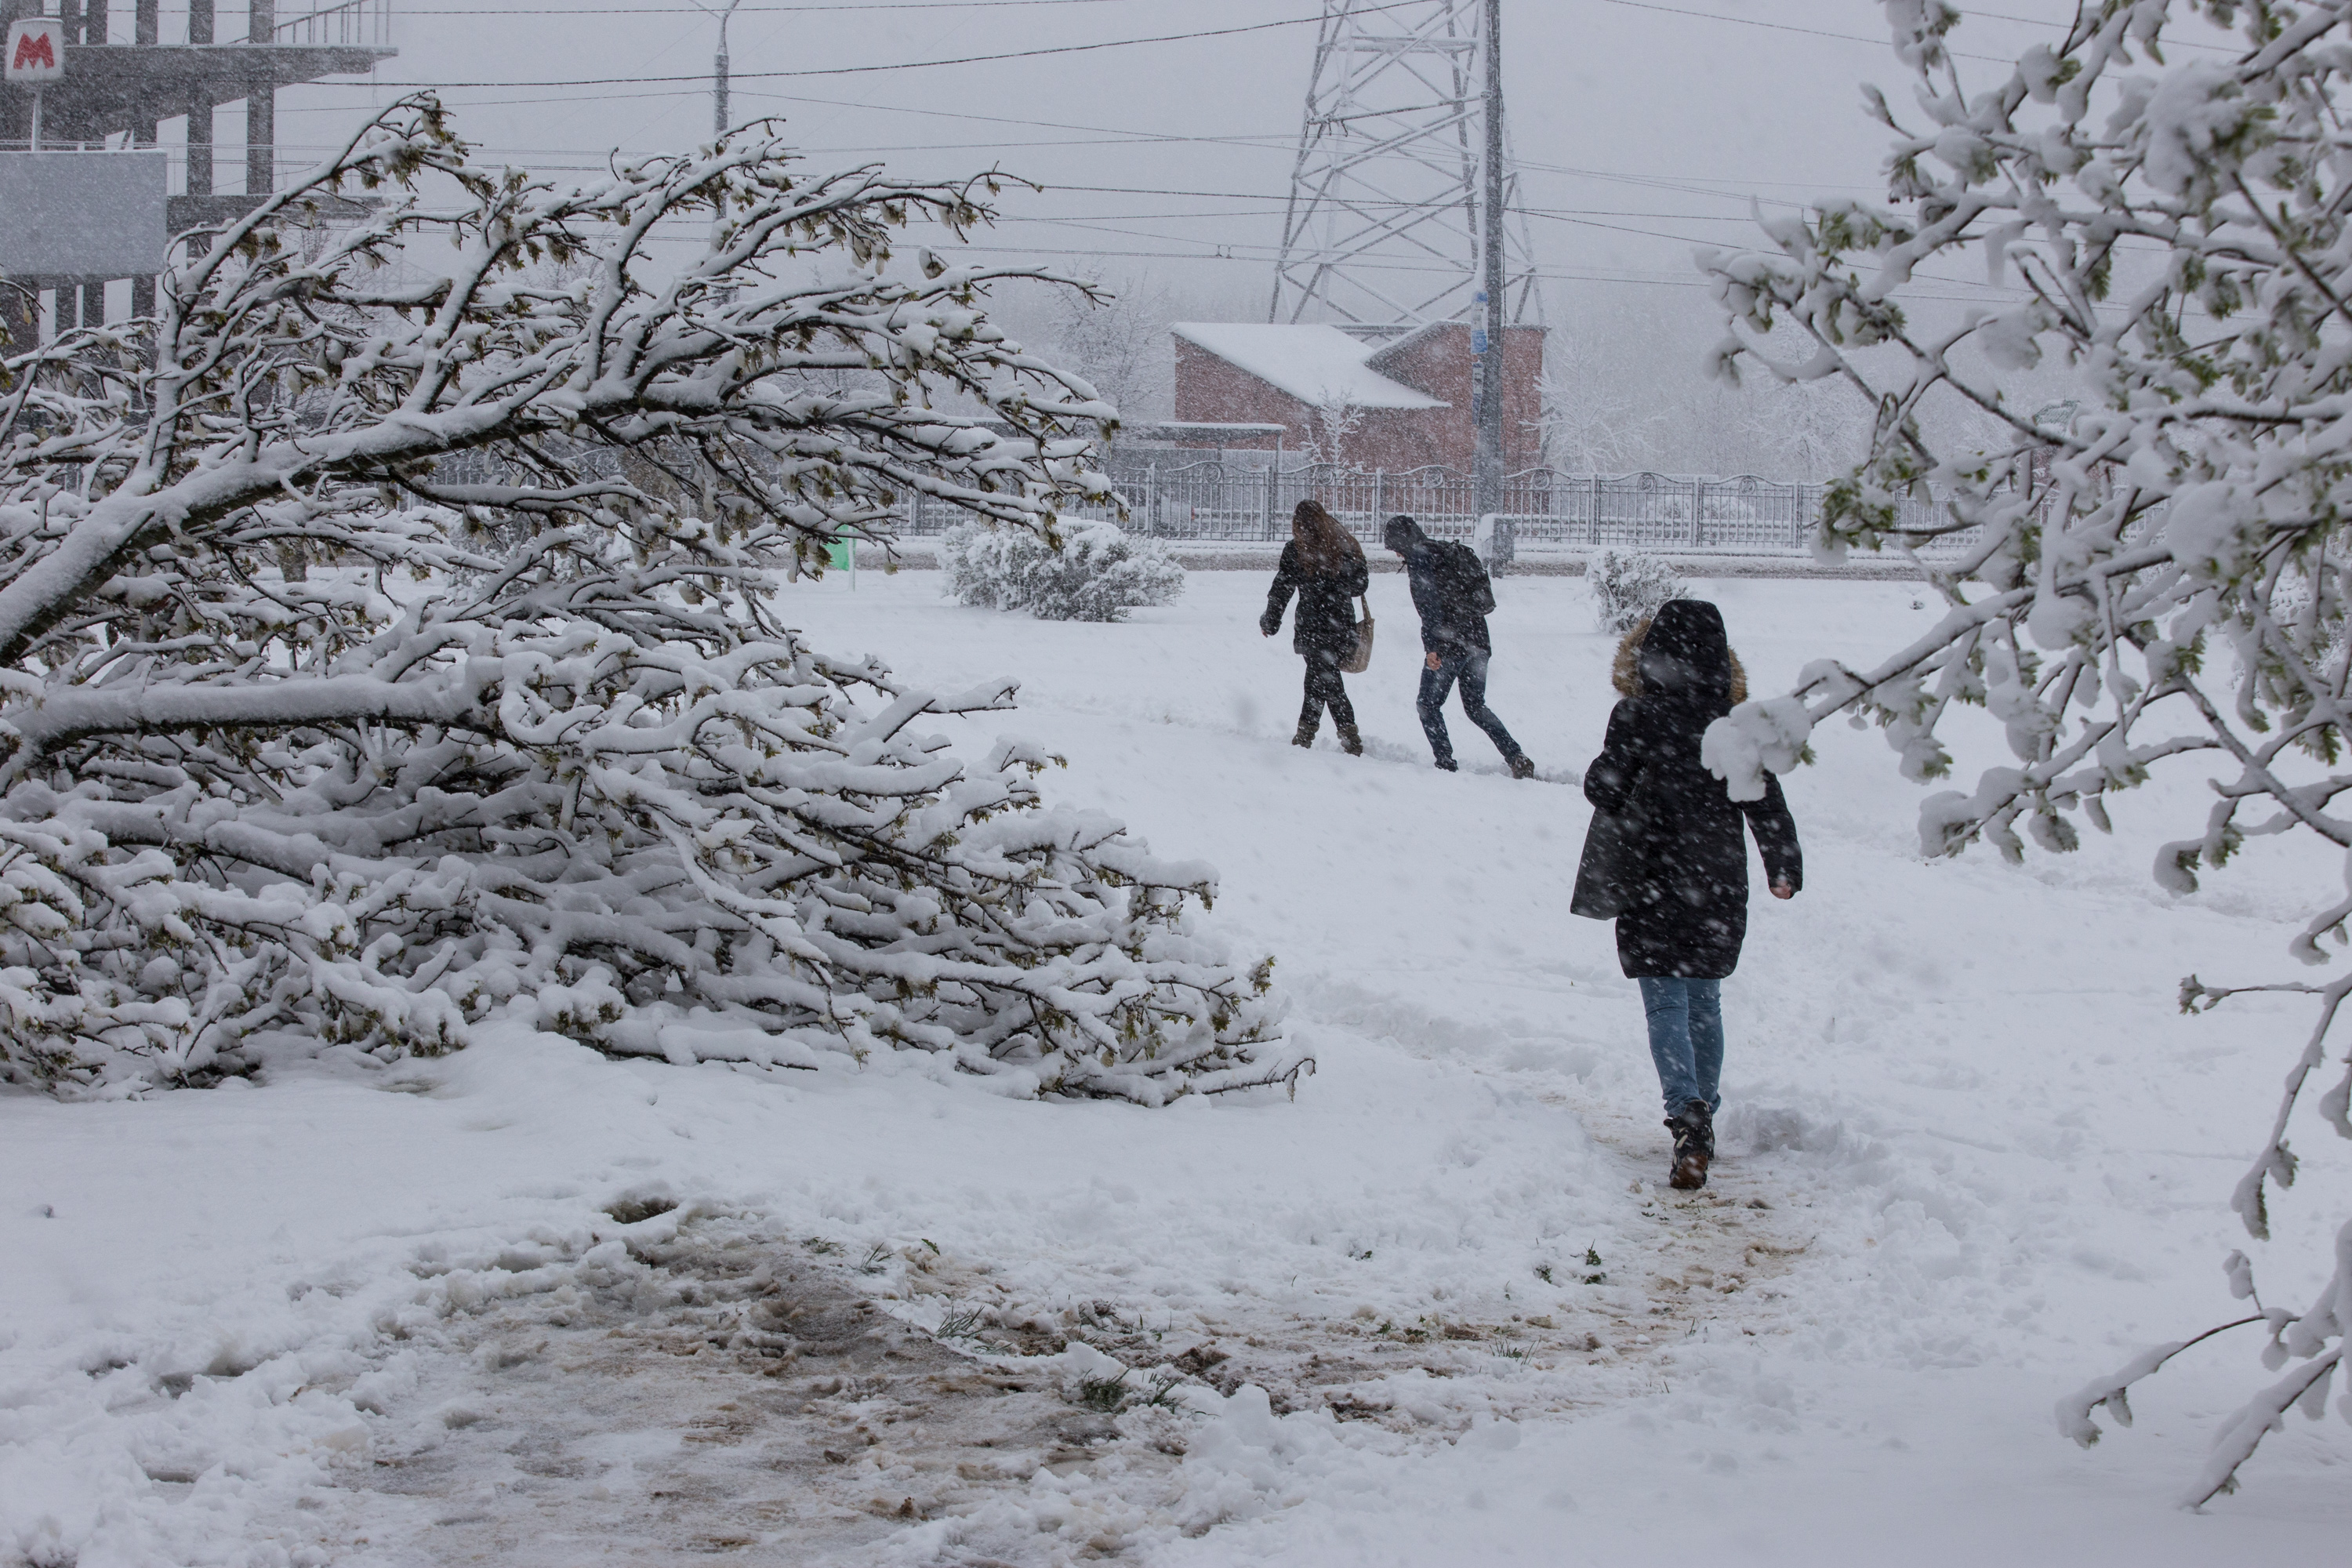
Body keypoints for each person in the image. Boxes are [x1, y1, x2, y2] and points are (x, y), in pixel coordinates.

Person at [1578, 600, 1801, 1192]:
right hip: (1717, 880)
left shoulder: (1636, 715)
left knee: (1666, 1004)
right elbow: (1765, 802)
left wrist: (1615, 764)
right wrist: (1783, 864)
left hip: (1650, 875)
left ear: (1651, 653)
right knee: (1705, 1002)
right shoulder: (1735, 726)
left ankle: (1687, 1112)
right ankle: (1704, 1109)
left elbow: (1604, 788)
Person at [1381, 514, 1535, 779]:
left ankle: (1445, 763)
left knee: (1427, 705)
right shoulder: (1444, 551)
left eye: (1394, 546)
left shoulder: (1420, 559)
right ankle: (1516, 756)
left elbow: (1430, 608)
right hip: (1478, 641)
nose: (1395, 554)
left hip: (1449, 644)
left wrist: (1432, 648)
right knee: (1476, 706)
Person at [1261, 499, 1371, 755]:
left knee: (1324, 681)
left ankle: (1325, 739)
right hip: (1340, 625)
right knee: (1323, 680)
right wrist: (1339, 582)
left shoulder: (1296, 549)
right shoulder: (1342, 545)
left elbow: (1282, 589)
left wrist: (1271, 620)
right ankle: (1318, 737)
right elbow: (1360, 585)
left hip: (1312, 627)